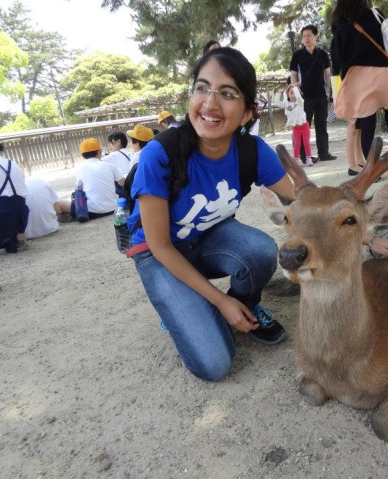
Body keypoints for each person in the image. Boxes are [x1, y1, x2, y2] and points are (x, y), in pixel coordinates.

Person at [125, 47, 296, 382]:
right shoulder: (160, 154)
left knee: (260, 252)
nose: (210, 103)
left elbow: (302, 200)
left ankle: (242, 304)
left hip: (209, 236)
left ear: (248, 112)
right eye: (201, 88)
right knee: (215, 365)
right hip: (159, 254)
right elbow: (159, 246)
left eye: (228, 94)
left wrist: (366, 234)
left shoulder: (252, 151)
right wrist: (218, 301)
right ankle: (188, 310)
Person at [333, 0, 388, 175]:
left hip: (360, 76)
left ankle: (371, 169)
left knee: (367, 125)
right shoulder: (376, 13)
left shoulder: (341, 24)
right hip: (386, 73)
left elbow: (338, 57)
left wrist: (344, 80)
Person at [289, 25, 337, 162]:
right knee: (304, 125)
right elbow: (293, 74)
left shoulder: (322, 54)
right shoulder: (297, 55)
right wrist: (294, 90)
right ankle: (304, 156)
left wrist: (329, 93)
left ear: (316, 36)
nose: (306, 39)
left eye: (309, 35)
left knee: (322, 125)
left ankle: (324, 153)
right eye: (304, 36)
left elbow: (328, 75)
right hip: (304, 97)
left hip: (321, 95)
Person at [58, 138, 121, 220]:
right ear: (99, 152)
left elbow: (79, 187)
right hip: (114, 208)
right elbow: (123, 182)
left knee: (59, 203)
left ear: (82, 155)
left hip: (91, 212)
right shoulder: (110, 165)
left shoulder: (81, 168)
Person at [274, 85, 314, 166]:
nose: (293, 93)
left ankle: (309, 159)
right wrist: (279, 93)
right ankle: (297, 160)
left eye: (294, 92)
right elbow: (277, 103)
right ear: (287, 94)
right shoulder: (287, 105)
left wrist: (294, 87)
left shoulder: (300, 102)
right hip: (296, 128)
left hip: (305, 126)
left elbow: (298, 96)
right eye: (291, 92)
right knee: (297, 144)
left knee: (306, 142)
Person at [103, 131, 132, 196]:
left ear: (118, 142)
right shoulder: (130, 153)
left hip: (123, 188)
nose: (110, 145)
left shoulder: (113, 155)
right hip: (132, 185)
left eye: (111, 142)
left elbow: (97, 161)